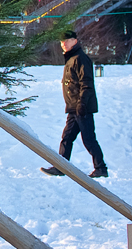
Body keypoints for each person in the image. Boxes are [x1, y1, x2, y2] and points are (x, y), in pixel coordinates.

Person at [41, 34, 108, 179]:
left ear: (75, 41)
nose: (63, 44)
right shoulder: (71, 58)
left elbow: (86, 83)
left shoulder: (80, 58)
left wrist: (82, 103)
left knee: (88, 139)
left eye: (66, 41)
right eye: (61, 41)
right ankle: (61, 166)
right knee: (67, 137)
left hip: (81, 107)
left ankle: (101, 168)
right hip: (74, 108)